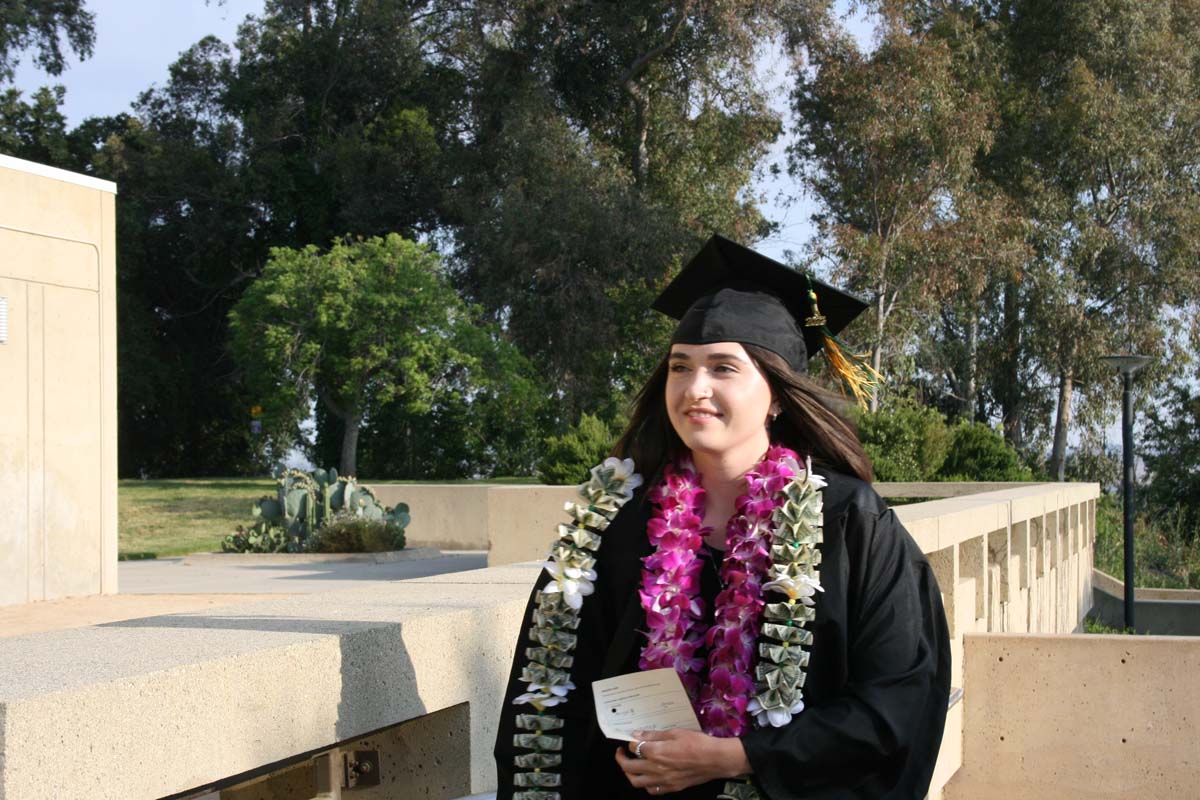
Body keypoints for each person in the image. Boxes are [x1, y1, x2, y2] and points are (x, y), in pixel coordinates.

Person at [495, 234, 950, 800]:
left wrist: (736, 759)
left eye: (723, 368)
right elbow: (552, 689)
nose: (695, 389)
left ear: (778, 395)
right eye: (680, 367)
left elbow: (896, 701)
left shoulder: (849, 522)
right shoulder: (614, 521)